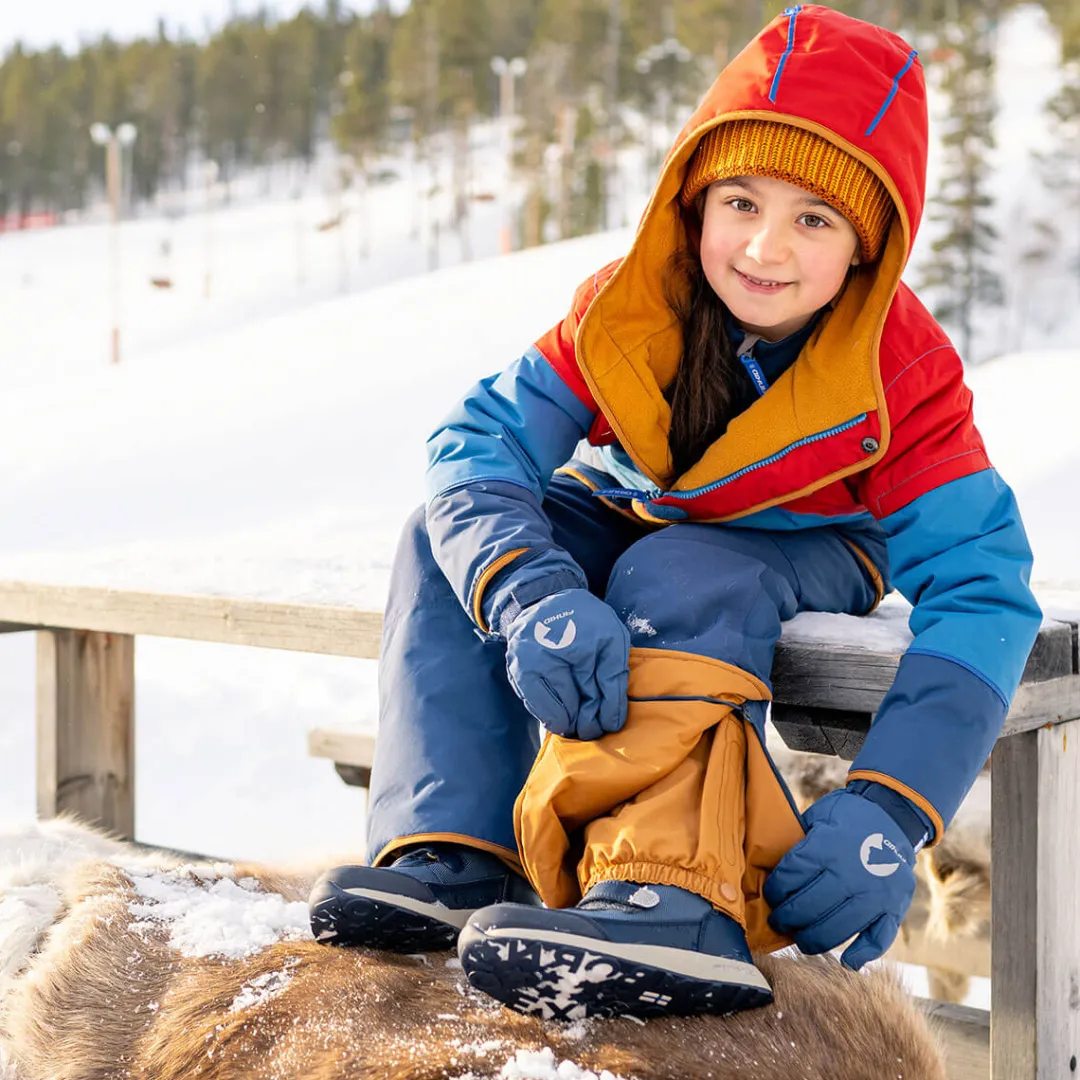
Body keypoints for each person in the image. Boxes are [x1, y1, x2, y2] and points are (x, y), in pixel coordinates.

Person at [308, 4, 1041, 1023]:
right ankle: (457, 851)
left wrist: (890, 806)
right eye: (740, 201)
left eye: (814, 220)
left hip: (814, 542)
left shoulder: (899, 375)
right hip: (647, 508)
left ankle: (672, 897)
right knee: (443, 541)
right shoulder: (630, 310)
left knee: (688, 569)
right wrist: (530, 590)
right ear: (692, 199)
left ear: (870, 249)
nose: (765, 247)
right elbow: (477, 446)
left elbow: (985, 593)